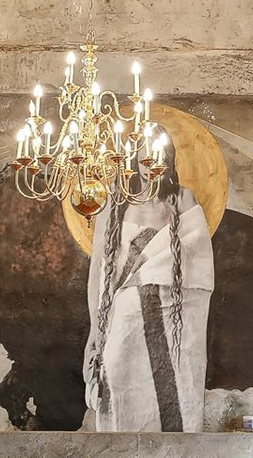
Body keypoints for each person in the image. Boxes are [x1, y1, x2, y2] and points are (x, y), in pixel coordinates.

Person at [81, 171, 214, 432]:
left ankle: (173, 457)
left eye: (162, 155)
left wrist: (152, 273)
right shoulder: (115, 198)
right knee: (117, 372)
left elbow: (197, 255)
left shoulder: (181, 197)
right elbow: (99, 265)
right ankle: (120, 457)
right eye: (144, 157)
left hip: (168, 312)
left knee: (173, 382)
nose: (153, 164)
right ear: (132, 159)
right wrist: (95, 329)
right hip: (123, 314)